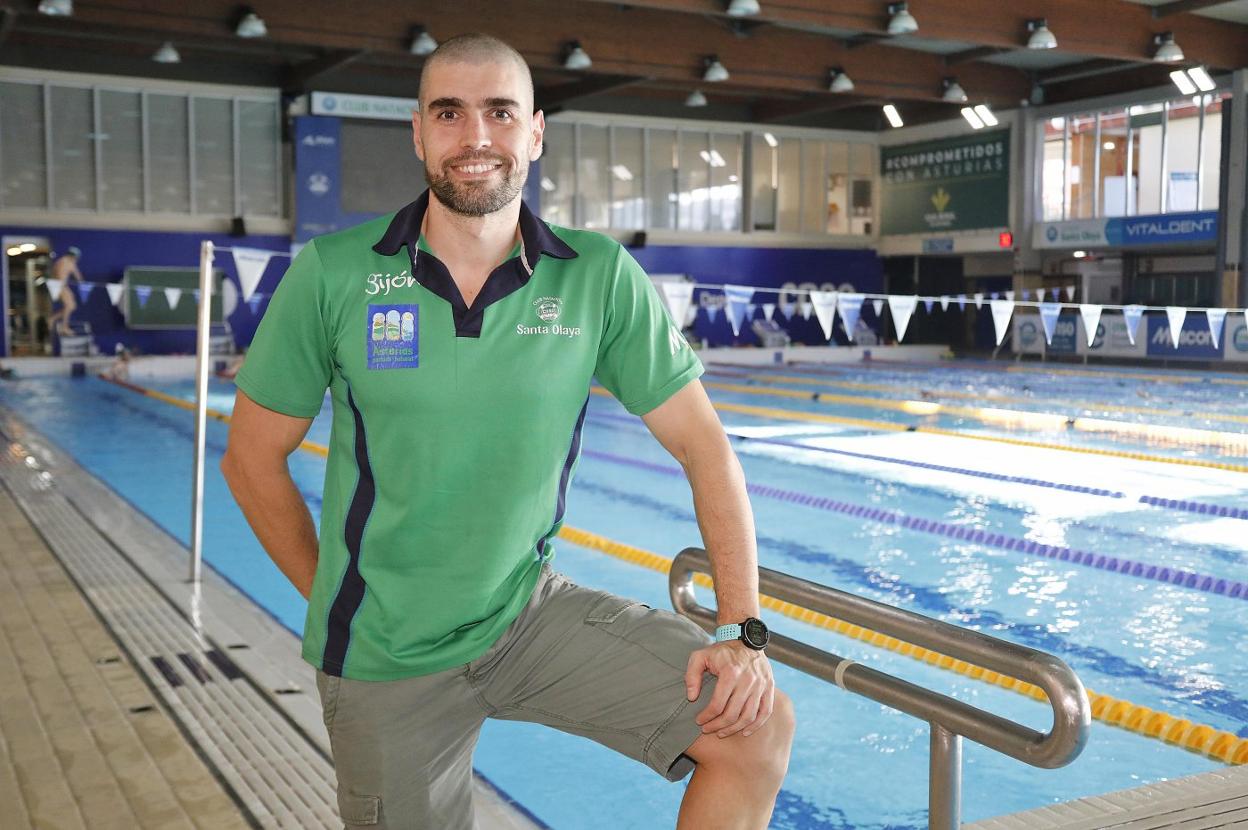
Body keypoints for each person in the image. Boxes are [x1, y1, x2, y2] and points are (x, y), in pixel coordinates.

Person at [221, 33, 793, 830]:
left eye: (499, 112)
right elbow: (251, 462)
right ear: (419, 134)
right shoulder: (334, 273)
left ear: (534, 133)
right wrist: (338, 597)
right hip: (385, 659)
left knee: (753, 725)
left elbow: (706, 449)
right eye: (450, 114)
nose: (476, 137)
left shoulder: (595, 276)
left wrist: (739, 630)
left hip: (527, 620)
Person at [48, 245, 84, 336]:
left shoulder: (64, 262)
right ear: (73, 256)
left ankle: (52, 319)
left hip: (60, 286)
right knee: (69, 306)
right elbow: (60, 275)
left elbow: (78, 276)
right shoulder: (65, 262)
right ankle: (64, 327)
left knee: (72, 306)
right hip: (60, 286)